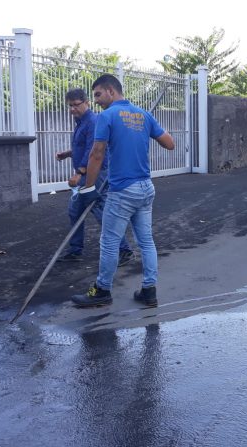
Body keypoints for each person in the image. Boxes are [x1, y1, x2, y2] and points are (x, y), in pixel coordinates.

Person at [71, 74, 175, 308]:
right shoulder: (144, 115)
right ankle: (149, 291)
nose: (95, 100)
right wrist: (146, 125)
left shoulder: (106, 116)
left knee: (109, 242)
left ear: (110, 91)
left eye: (97, 94)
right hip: (145, 188)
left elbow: (96, 154)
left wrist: (88, 186)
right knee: (146, 241)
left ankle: (102, 290)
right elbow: (170, 144)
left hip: (122, 191)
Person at [55, 88, 134, 265]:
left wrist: (79, 173)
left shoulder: (93, 121)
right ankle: (75, 250)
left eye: (76, 105)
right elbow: (82, 146)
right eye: (70, 106)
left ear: (86, 103)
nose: (73, 109)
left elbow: (94, 150)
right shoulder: (81, 122)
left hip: (95, 175)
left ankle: (124, 250)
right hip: (86, 175)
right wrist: (68, 153)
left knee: (101, 212)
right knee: (75, 211)